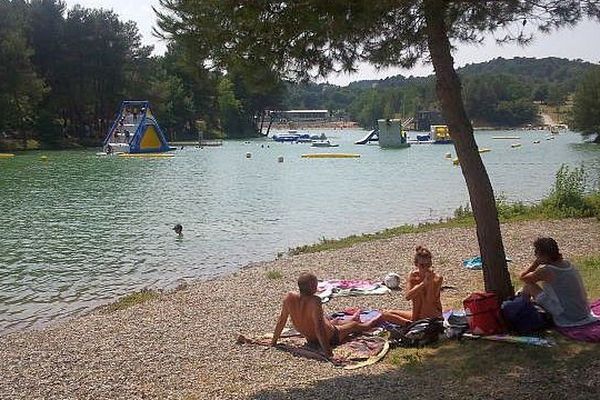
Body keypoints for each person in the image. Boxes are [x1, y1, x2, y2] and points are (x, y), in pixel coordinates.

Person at [271, 272, 379, 358]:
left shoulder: (289, 298)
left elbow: (281, 321)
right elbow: (319, 328)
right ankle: (377, 318)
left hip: (309, 338)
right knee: (355, 326)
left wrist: (274, 342)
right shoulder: (315, 301)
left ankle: (350, 319)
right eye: (316, 284)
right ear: (312, 286)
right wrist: (328, 353)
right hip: (331, 337)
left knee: (333, 320)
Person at [519, 237, 597, 327]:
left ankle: (521, 312)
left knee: (529, 286)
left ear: (543, 255)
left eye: (536, 253)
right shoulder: (568, 264)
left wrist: (535, 264)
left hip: (566, 316)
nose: (535, 255)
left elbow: (523, 277)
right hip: (582, 312)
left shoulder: (546, 271)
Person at [381, 246, 443, 325]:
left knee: (423, 299)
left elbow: (430, 300)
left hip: (432, 316)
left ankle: (413, 324)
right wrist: (423, 284)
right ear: (416, 264)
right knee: (385, 314)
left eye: (428, 265)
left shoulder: (437, 278)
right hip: (416, 315)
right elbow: (408, 296)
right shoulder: (413, 276)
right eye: (422, 265)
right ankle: (409, 324)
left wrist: (429, 283)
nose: (425, 268)